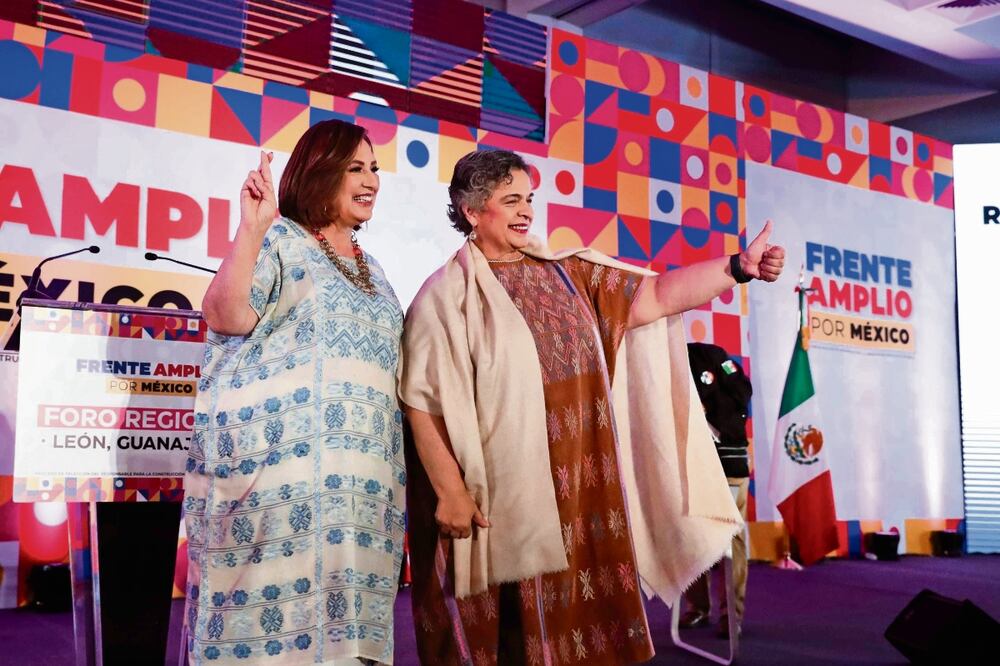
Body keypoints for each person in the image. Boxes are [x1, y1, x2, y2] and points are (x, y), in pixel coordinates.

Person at [399, 149, 785, 664]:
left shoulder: (570, 275)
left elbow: (660, 295)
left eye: (530, 199)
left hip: (582, 491)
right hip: (499, 503)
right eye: (510, 200)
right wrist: (449, 491)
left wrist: (738, 267)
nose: (526, 212)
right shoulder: (443, 299)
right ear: (472, 211)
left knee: (580, 634)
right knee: (499, 636)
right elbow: (419, 402)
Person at [184, 120, 406, 665]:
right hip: (284, 495)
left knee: (349, 643)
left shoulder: (373, 270)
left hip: (362, 503)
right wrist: (252, 229)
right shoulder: (280, 240)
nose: (371, 179)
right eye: (355, 167)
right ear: (318, 173)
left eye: (374, 168)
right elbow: (224, 314)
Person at [680, 343, 753, 639]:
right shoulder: (723, 366)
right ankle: (711, 610)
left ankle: (723, 613)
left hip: (720, 466)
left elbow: (741, 393)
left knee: (723, 540)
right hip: (707, 465)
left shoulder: (700, 360)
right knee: (699, 537)